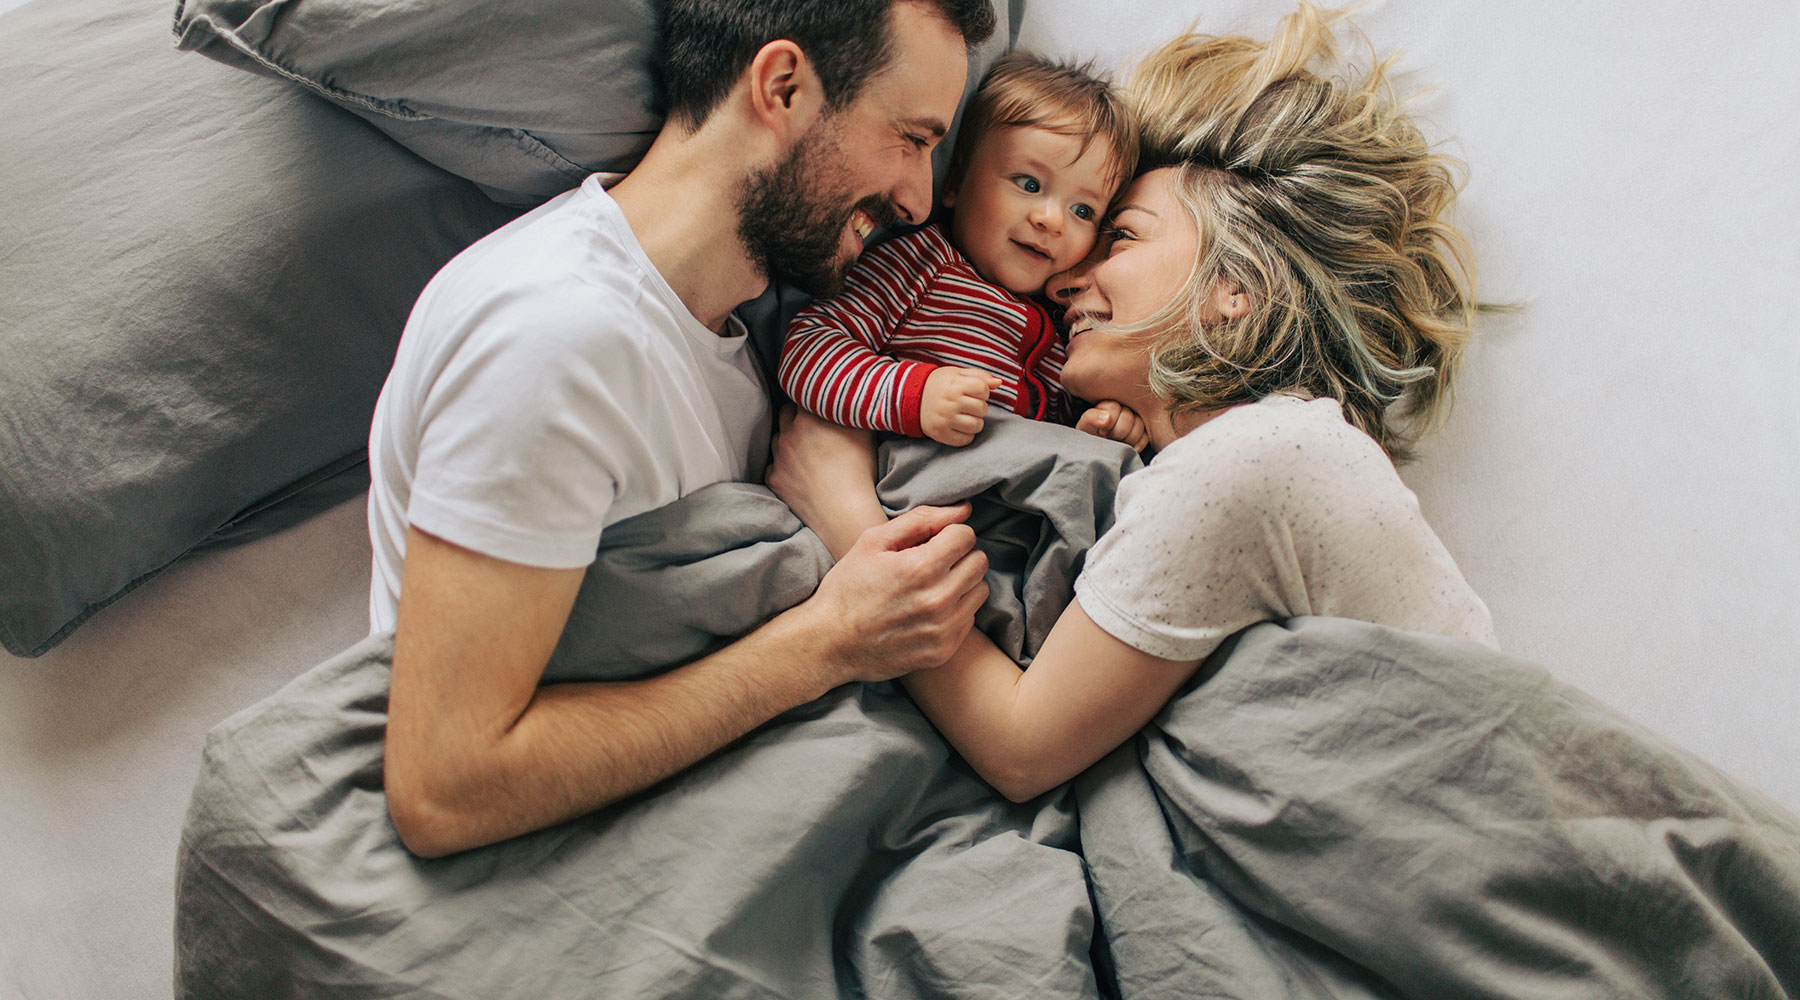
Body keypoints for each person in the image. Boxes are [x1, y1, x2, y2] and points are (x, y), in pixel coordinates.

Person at [767, 2, 1499, 803]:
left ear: (1233, 292)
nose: (1068, 274)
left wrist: (844, 513)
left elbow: (1020, 747)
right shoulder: (1210, 457)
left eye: (1116, 236)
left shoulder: (1259, 454)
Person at [363, 0, 998, 858]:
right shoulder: (554, 342)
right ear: (781, 87)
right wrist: (831, 642)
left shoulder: (746, 331)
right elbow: (446, 786)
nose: (921, 201)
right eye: (912, 140)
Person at [779, 52, 1150, 449]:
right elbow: (807, 349)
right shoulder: (919, 266)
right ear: (955, 180)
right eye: (1028, 184)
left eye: (1082, 210)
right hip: (904, 472)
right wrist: (916, 396)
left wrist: (1098, 426)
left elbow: (1054, 432)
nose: (1052, 221)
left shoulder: (1067, 317)